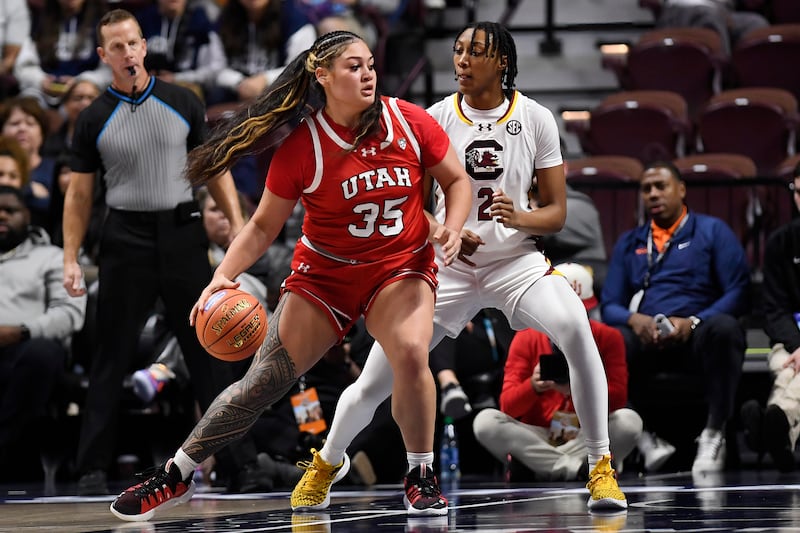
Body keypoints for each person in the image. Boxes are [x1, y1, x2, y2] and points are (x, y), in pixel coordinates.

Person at [108, 28, 471, 522]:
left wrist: (450, 227)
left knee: (410, 352)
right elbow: (261, 227)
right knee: (262, 383)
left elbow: (455, 179)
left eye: (370, 64)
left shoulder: (408, 120)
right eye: (353, 67)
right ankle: (176, 473)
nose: (367, 75)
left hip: (398, 266)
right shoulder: (304, 146)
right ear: (321, 76)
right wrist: (222, 277)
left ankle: (421, 474)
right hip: (325, 276)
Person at [291, 21, 628, 514]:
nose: (462, 60)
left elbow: (556, 213)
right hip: (447, 266)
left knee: (578, 329)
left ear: (503, 62)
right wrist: (443, 230)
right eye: (457, 51)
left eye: (475, 52)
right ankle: (326, 464)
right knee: (373, 382)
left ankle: (600, 467)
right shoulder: (432, 117)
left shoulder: (535, 118)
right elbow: (408, 200)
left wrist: (521, 216)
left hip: (515, 262)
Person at [62, 9, 275, 496]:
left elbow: (215, 168)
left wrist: (239, 230)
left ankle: (241, 463)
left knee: (209, 353)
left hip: (182, 233)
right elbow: (78, 195)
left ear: (144, 44)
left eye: (133, 42)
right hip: (124, 238)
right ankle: (92, 466)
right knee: (109, 355)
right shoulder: (93, 115)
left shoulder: (182, 100)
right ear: (104, 56)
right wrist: (71, 257)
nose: (128, 53)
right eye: (117, 47)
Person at [600, 161, 750, 474]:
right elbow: (610, 303)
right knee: (609, 337)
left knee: (725, 328)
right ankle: (640, 437)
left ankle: (714, 433)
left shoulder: (711, 231)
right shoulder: (630, 242)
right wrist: (634, 321)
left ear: (681, 190)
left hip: (696, 336)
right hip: (648, 336)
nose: (653, 194)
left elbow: (738, 291)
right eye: (646, 189)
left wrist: (694, 320)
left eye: (661, 186)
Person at [472, 262, 643, 481]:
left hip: (588, 436)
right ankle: (579, 469)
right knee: (485, 421)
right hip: (538, 434)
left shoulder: (608, 337)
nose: (569, 319)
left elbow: (619, 399)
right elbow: (508, 406)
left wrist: (578, 386)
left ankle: (539, 467)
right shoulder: (526, 338)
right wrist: (532, 387)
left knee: (629, 421)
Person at [0, 185, 87, 478]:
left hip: (24, 350)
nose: (1, 216)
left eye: (9, 210)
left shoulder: (52, 257)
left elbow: (70, 313)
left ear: (26, 215)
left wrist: (21, 332)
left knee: (44, 353)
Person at [739, 162, 800, 472]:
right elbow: (773, 308)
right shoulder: (780, 242)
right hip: (790, 346)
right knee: (785, 368)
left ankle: (768, 433)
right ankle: (779, 436)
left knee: (791, 378)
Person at [214, 0, 317, 104]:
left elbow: (303, 69)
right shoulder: (225, 18)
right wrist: (239, 82)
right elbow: (214, 67)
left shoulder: (295, 18)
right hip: (233, 97)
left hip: (281, 98)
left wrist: (265, 79)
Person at [14, 0, 111, 107]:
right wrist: (41, 80)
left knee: (85, 97)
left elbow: (110, 70)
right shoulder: (39, 21)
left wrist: (81, 80)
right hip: (44, 92)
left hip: (86, 89)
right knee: (27, 106)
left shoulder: (103, 24)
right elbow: (24, 66)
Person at [134, 0, 227, 103]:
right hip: (146, 85)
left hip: (187, 87)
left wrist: (176, 78)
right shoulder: (142, 20)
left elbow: (216, 68)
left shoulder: (201, 20)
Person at [0, 96, 57, 228]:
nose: (22, 129)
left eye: (30, 123)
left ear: (42, 134)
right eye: (15, 123)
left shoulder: (55, 170)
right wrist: (31, 190)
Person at [654, 0, 769, 56]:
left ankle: (750, 85)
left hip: (723, 12)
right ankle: (721, 79)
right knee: (710, 18)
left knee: (756, 23)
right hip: (683, 9)